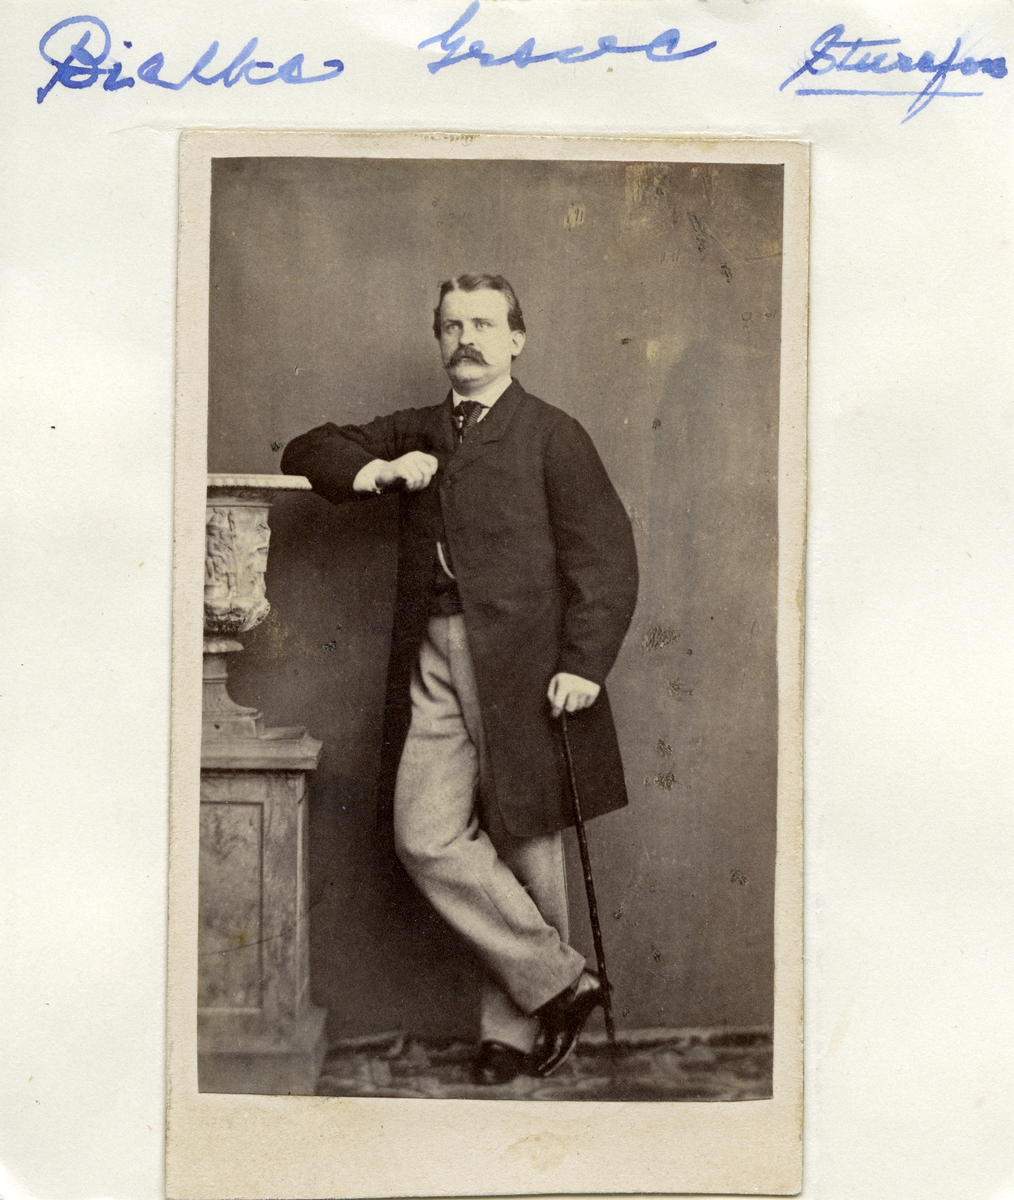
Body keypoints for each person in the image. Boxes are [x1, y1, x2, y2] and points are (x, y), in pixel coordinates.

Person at [281, 273, 638, 1084]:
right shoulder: (417, 428)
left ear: (517, 338)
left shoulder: (553, 434)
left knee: (528, 839)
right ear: (438, 339)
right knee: (426, 834)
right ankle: (563, 983)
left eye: (483, 324)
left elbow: (607, 559)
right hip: (435, 659)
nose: (466, 339)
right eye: (451, 326)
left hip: (527, 664)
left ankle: (510, 1032)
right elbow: (309, 447)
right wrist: (378, 472)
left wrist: (584, 664)